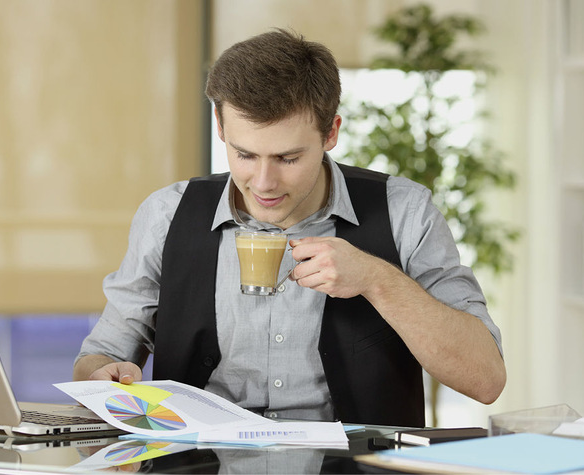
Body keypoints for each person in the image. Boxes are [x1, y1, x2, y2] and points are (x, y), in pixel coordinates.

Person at [74, 29, 505, 426]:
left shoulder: (405, 210)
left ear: (331, 132)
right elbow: (100, 358)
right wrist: (105, 376)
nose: (263, 184)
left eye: (288, 159)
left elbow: (485, 380)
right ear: (221, 128)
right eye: (244, 155)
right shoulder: (166, 214)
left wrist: (377, 280)